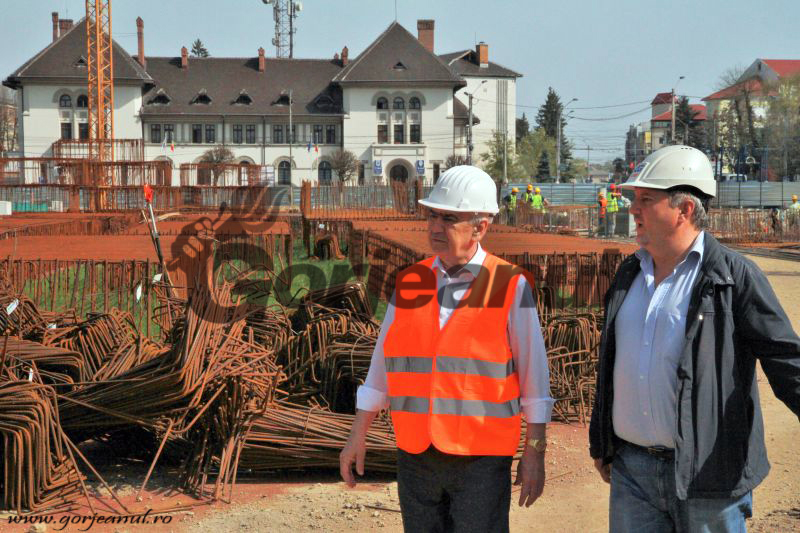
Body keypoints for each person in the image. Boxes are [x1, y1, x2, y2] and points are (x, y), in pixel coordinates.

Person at [589, 145, 800, 533]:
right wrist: (602, 440)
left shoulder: (734, 276)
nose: (633, 209)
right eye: (635, 199)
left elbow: (788, 362)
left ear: (684, 209)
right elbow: (612, 364)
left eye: (646, 200)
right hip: (632, 473)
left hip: (709, 476)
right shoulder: (628, 274)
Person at [340, 165, 554, 533]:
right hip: (416, 453)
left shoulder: (510, 285)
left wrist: (534, 450)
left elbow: (535, 378)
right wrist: (358, 431)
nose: (436, 227)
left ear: (480, 227)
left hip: (481, 459)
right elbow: (382, 365)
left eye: (450, 218)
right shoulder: (410, 282)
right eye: (432, 215)